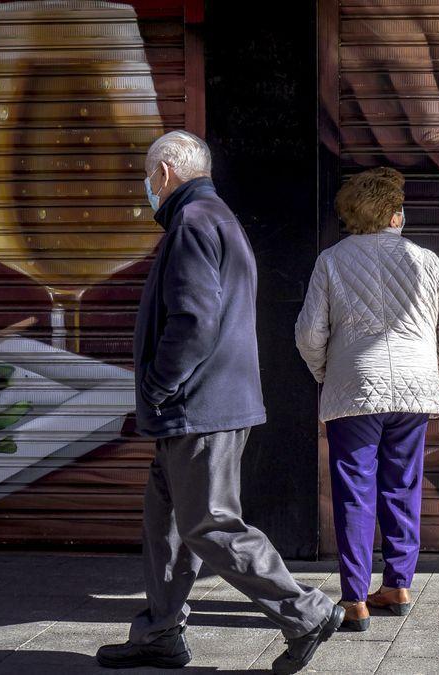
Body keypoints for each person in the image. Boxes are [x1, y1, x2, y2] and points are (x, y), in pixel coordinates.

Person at [97, 130, 343, 673]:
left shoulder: (192, 222)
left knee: (210, 523)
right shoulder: (216, 217)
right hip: (199, 405)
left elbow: (193, 320)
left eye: (147, 175)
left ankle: (304, 611)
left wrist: (158, 386)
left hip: (195, 406)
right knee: (165, 527)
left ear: (163, 173)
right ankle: (160, 633)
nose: (147, 186)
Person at [295, 167, 439, 631]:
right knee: (403, 486)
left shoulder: (331, 261)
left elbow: (310, 334)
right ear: (395, 215)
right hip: (413, 392)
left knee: (354, 490)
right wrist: (428, 367)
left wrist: (326, 374)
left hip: (354, 389)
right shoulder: (425, 259)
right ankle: (399, 583)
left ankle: (355, 600)